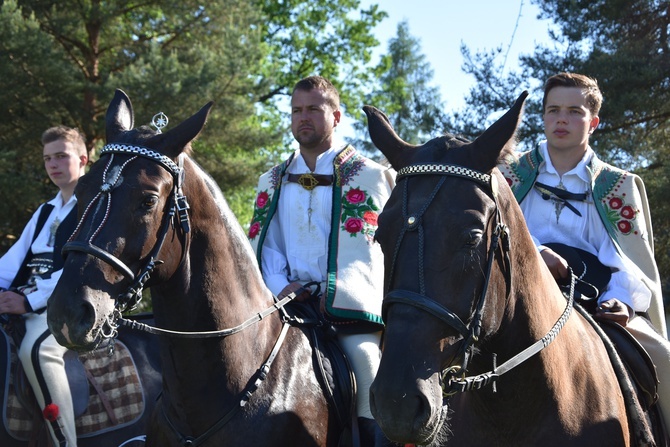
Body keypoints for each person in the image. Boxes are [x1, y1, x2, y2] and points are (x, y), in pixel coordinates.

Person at [498, 72, 670, 431]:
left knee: (663, 360)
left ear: (594, 122)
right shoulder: (507, 176)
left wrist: (621, 299)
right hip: (517, 302)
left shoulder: (617, 186)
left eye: (574, 111)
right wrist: (535, 253)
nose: (562, 119)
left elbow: (629, 260)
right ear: (543, 117)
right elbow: (490, 239)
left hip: (595, 302)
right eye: (553, 110)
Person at [248, 76, 395, 446]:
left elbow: (390, 250)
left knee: (367, 367)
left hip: (351, 312)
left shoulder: (374, 177)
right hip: (285, 305)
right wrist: (282, 287)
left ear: (336, 115)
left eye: (313, 108)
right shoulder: (272, 180)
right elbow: (266, 246)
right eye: (297, 110)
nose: (304, 117)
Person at [0, 126, 88, 446]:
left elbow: (80, 270)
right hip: (30, 298)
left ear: (82, 159)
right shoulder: (44, 211)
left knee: (37, 350)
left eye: (61, 156)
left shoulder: (93, 207)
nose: (53, 164)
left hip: (71, 303)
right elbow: (11, 262)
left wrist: (27, 301)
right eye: (48, 158)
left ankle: (65, 442)